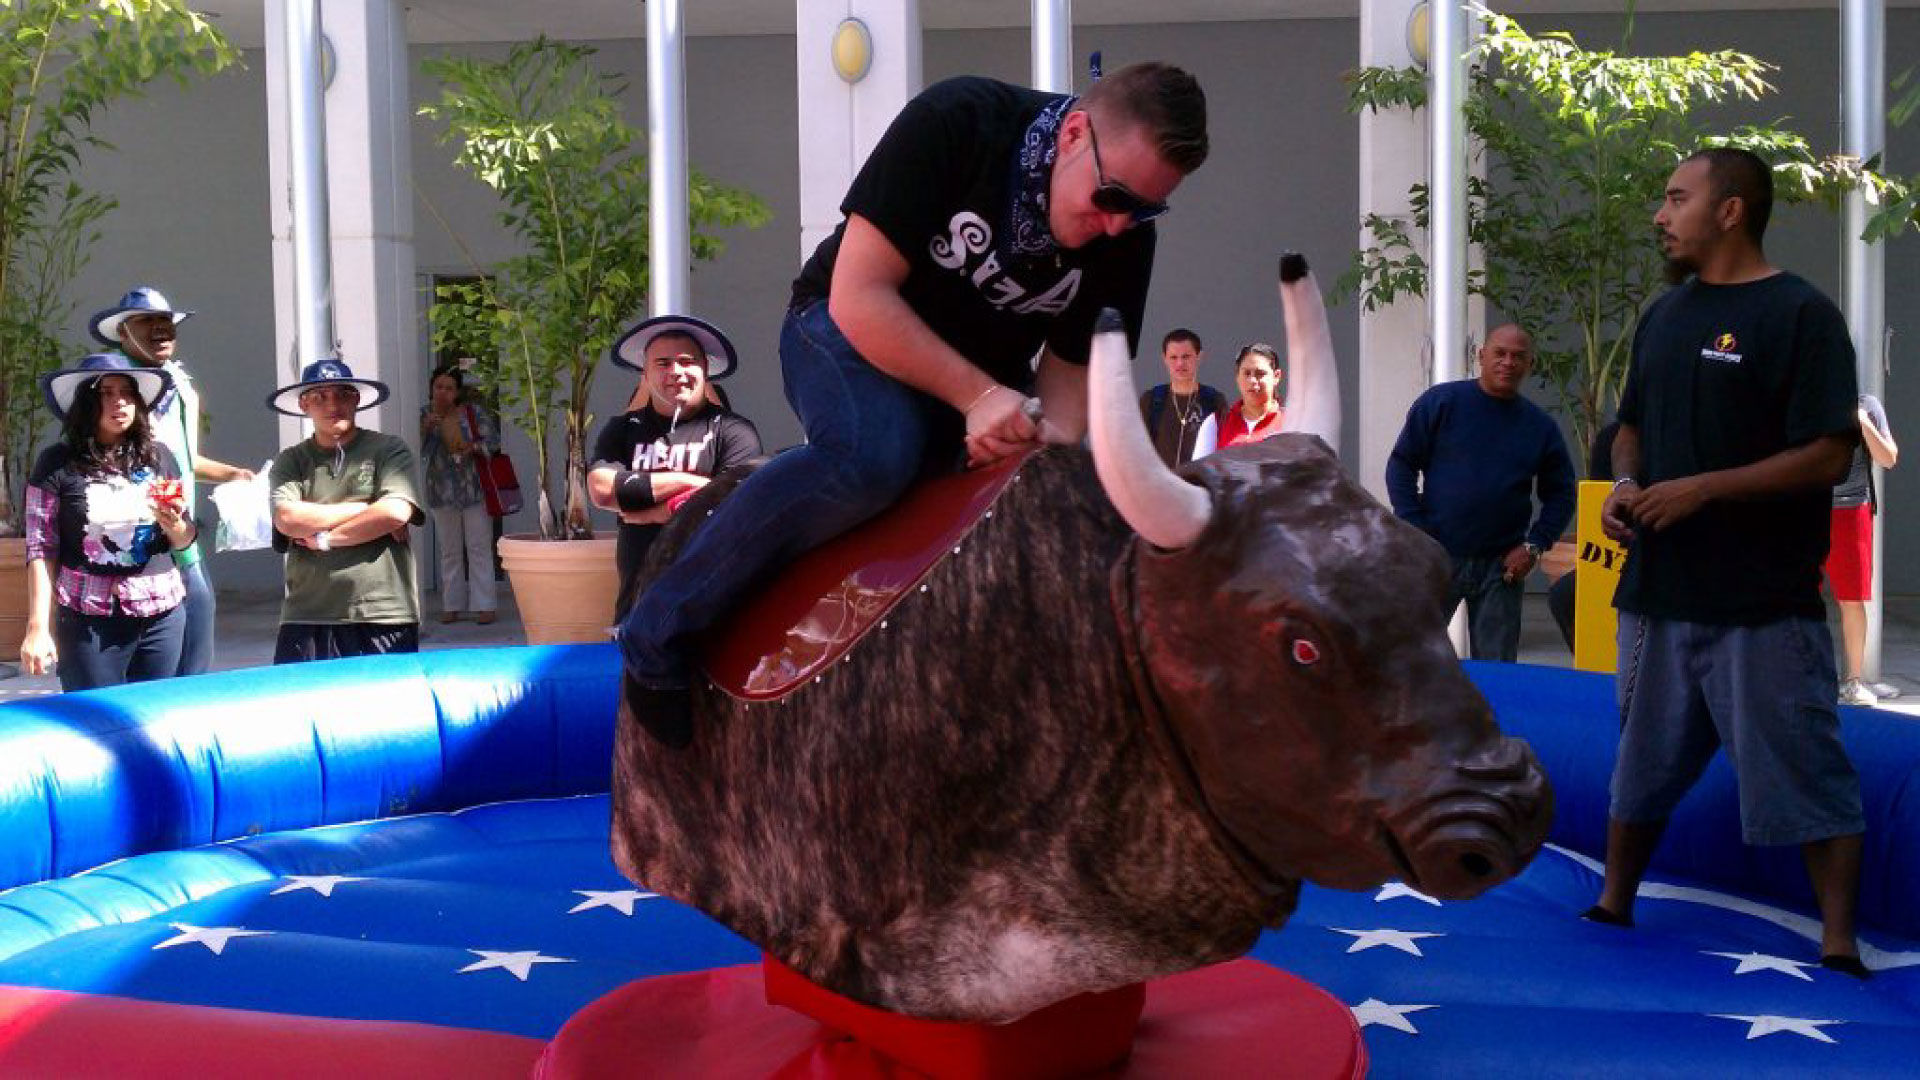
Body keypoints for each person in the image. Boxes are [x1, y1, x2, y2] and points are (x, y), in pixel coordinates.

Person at [617, 63, 1209, 743]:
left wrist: (1023, 434)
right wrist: (980, 397)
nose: (1116, 225)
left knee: (1037, 514)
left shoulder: (1125, 238)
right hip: (841, 332)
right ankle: (656, 632)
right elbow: (860, 296)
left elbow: (1070, 395)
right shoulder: (958, 121)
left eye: (1143, 210)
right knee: (873, 457)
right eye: (1111, 196)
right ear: (1075, 132)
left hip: (978, 391)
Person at [1588, 148, 1868, 977]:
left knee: (1808, 772)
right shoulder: (1665, 315)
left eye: (1676, 198)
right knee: (1637, 768)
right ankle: (1611, 904)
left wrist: (1703, 490)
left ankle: (1841, 947)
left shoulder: (1801, 317)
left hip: (1764, 607)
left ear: (1731, 210)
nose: (1659, 214)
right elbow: (1629, 423)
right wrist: (1629, 483)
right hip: (1660, 597)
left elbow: (1828, 455)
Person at [1385, 324, 1577, 662]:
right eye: (1499, 353)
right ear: (1481, 355)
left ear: (1529, 365)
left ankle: (1492, 717)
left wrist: (1534, 545)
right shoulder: (1442, 403)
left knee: (1498, 669)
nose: (1507, 362)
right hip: (1437, 557)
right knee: (1412, 660)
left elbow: (1561, 493)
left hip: (1501, 567)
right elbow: (1401, 464)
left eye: (1518, 357)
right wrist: (1415, 528)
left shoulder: (1538, 427)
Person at [90, 286, 255, 676]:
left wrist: (232, 474)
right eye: (147, 321)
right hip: (126, 545)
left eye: (166, 322)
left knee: (196, 636)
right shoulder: (112, 385)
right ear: (124, 331)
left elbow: (181, 458)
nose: (160, 329)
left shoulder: (180, 385)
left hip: (179, 535)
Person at [19, 354, 198, 692]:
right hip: (90, 618)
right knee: (97, 723)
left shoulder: (160, 457)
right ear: (86, 402)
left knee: (155, 720)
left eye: (128, 393)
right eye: (107, 393)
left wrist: (174, 523)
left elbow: (185, 539)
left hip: (163, 613)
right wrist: (37, 625)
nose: (120, 402)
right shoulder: (57, 463)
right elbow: (40, 547)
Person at [588, 315, 763, 609]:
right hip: (638, 602)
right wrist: (692, 483)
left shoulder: (734, 431)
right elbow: (603, 491)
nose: (676, 372)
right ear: (644, 373)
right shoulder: (621, 429)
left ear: (705, 369)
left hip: (714, 600)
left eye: (687, 361)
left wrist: (650, 512)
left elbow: (732, 505)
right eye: (663, 363)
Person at [266, 360, 425, 664]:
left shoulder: (389, 450)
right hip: (308, 614)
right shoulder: (291, 461)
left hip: (382, 612)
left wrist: (324, 539)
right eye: (320, 397)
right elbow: (288, 520)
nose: (333, 404)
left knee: (384, 711)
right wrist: (365, 507)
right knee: (303, 707)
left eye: (342, 394)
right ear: (303, 404)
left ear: (357, 399)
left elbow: (394, 512)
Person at [1829, 395, 1899, 706]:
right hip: (1805, 509)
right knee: (1794, 596)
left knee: (1852, 598)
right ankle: (1799, 675)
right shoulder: (1802, 394)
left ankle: (1853, 681)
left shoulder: (1867, 404)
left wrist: (1863, 422)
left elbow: (1889, 458)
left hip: (1851, 508)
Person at [418, 364, 499, 625]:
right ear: (431, 388)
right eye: (438, 387)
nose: (442, 393)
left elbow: (493, 442)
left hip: (474, 489)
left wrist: (472, 447)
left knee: (478, 546)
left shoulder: (472, 413)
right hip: (442, 491)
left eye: (449, 388)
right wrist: (425, 429)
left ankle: (484, 605)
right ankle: (451, 605)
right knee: (449, 550)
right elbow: (417, 451)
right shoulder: (422, 416)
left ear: (458, 392)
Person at [1548, 419, 1620, 651]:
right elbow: (1600, 501)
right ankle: (1592, 668)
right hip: (1621, 554)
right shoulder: (1611, 438)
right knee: (1565, 594)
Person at [1137, 328, 1226, 467]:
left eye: (1186, 356)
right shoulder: (1151, 400)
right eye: (1173, 357)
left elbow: (1223, 452)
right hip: (1160, 485)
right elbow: (1138, 450)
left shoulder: (1214, 400)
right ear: (1164, 359)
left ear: (1199, 357)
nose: (1180, 363)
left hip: (1198, 486)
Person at [1211, 342, 1288, 451]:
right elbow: (1200, 466)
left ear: (1276, 376)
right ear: (1237, 377)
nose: (1252, 380)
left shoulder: (1291, 422)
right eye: (1247, 373)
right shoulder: (1217, 422)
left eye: (1260, 373)